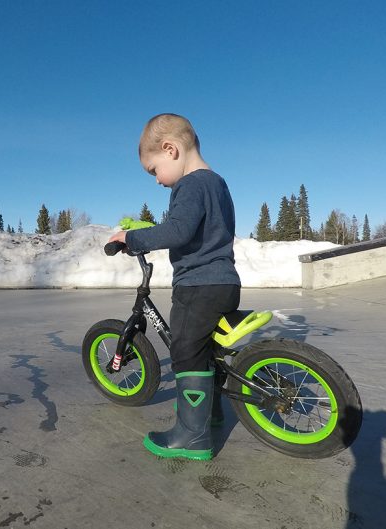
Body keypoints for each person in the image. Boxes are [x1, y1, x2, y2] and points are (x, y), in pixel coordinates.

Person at [108, 113, 241, 460]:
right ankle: (211, 413)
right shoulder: (217, 183)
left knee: (184, 351)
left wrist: (131, 237)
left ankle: (191, 437)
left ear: (171, 150)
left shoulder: (190, 185)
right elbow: (196, 229)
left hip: (198, 285)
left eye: (154, 170)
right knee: (204, 350)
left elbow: (179, 231)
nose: (156, 181)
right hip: (224, 282)